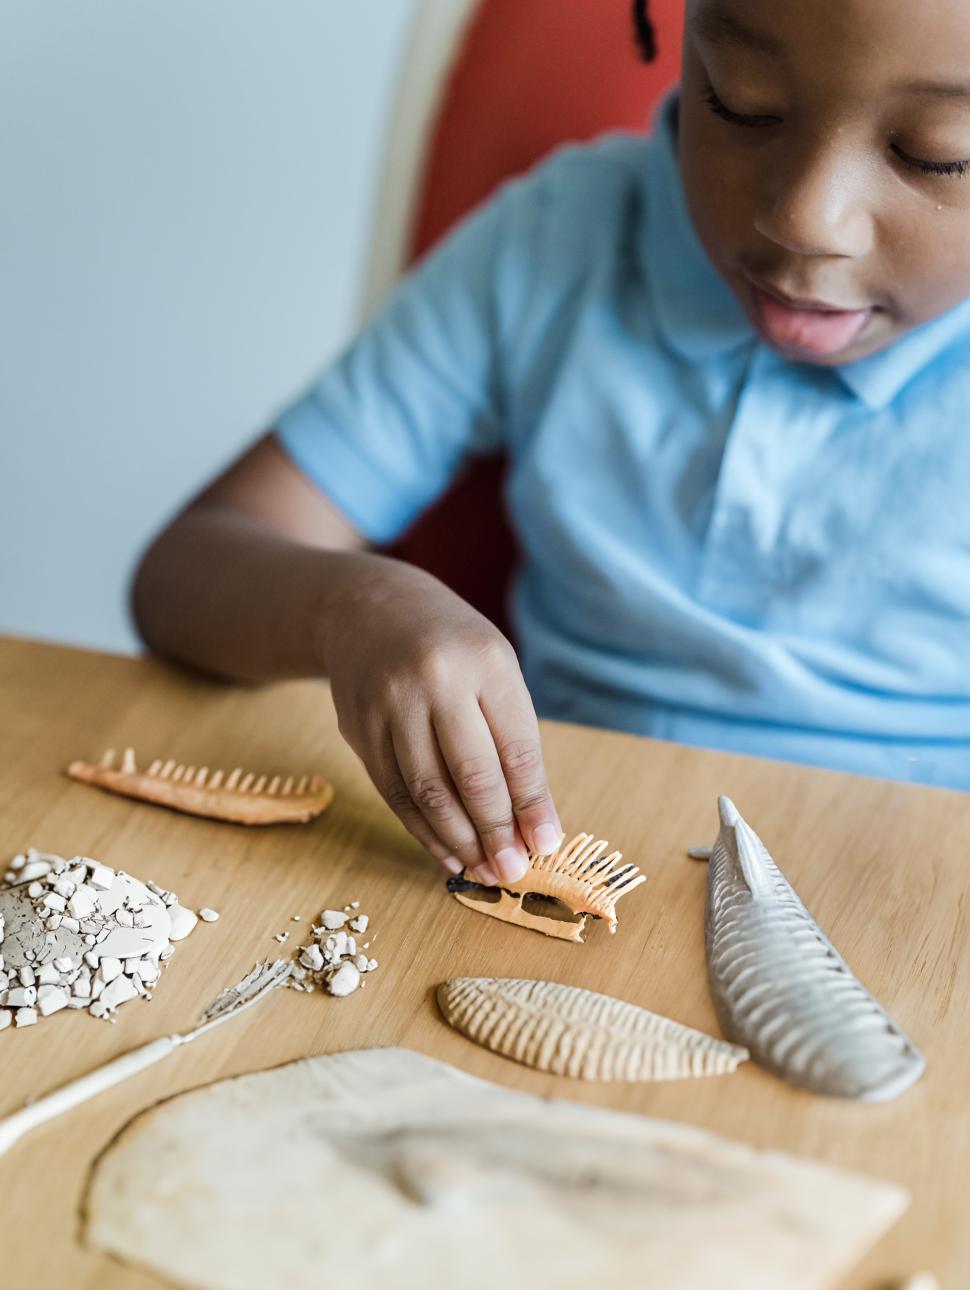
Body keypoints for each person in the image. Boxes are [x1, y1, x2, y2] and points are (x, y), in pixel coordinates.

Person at [134, 0, 970, 889]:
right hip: (565, 869)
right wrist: (353, 611)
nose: (807, 219)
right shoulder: (557, 239)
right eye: (742, 103)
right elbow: (181, 576)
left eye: (937, 153)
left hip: (917, 899)